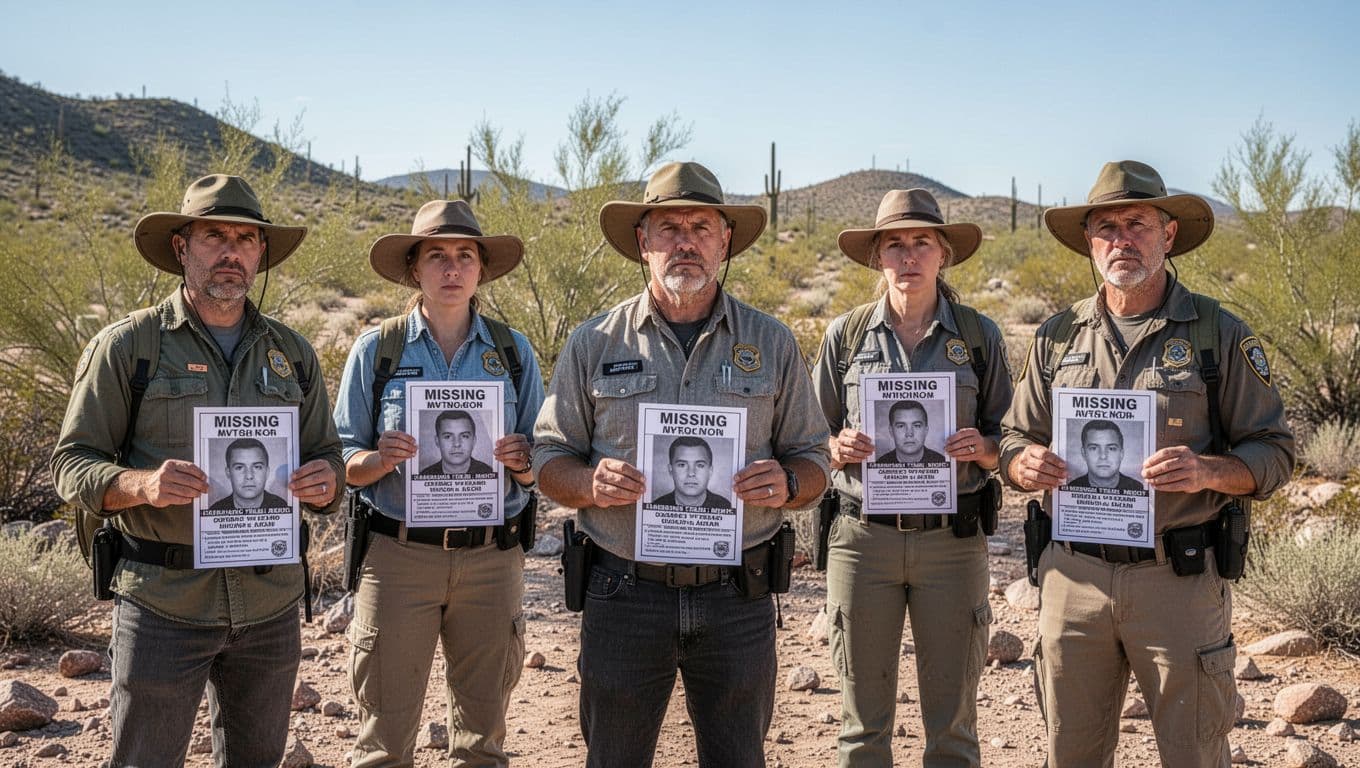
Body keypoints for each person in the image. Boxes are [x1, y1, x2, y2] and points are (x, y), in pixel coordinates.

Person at [533, 161, 830, 768]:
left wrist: (790, 482)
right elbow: (548, 456)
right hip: (622, 592)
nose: (685, 240)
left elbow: (814, 456)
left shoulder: (770, 342)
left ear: (725, 241)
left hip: (737, 598)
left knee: (738, 758)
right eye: (668, 227)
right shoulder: (596, 341)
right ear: (643, 243)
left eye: (701, 226)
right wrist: (588, 484)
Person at [1001, 160, 1296, 767]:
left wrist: (1210, 471)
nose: (1121, 239)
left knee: (1193, 753)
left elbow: (1275, 451)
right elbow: (1013, 436)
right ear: (1089, 243)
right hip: (1072, 580)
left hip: (1178, 580)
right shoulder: (1057, 337)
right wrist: (1021, 465)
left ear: (1168, 234)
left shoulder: (1217, 333)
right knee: (1071, 754)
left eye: (1137, 223)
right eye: (1106, 227)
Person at [50, 174, 343, 766]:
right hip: (164, 605)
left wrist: (326, 482)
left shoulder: (293, 354)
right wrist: (141, 485)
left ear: (261, 253)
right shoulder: (129, 347)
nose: (231, 251)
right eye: (214, 236)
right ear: (182, 247)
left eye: (245, 238)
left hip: (269, 606)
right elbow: (69, 463)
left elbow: (327, 454)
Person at [333, 199, 544, 767]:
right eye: (437, 256)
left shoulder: (513, 353)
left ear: (480, 269)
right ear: (414, 269)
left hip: (492, 558)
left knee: (482, 743)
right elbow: (339, 459)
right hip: (398, 556)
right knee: (383, 744)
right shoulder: (378, 351)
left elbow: (543, 459)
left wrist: (523, 462)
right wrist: (378, 460)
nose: (451, 269)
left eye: (464, 256)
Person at [811, 188, 1012, 767]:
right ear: (878, 257)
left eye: (921, 242)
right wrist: (835, 445)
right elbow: (805, 437)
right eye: (894, 244)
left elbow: (1014, 438)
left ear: (943, 252)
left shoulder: (979, 337)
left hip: (952, 541)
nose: (908, 256)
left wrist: (987, 447)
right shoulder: (844, 338)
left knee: (952, 727)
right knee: (861, 728)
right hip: (861, 541)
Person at [208, 437, 290, 510]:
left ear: (267, 472)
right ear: (228, 473)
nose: (249, 476)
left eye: (257, 467)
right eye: (239, 467)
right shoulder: (215, 510)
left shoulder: (283, 507)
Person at [651, 436, 733, 508]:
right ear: (670, 470)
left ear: (710, 471)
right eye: (682, 465)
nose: (691, 473)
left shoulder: (726, 507)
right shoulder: (654, 507)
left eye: (700, 465)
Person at [1068, 419, 1143, 491]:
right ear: (1084, 453)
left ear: (1121, 453)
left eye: (1111, 448)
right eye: (1094, 448)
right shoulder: (1070, 489)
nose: (1103, 456)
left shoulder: (1137, 488)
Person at [418, 409, 495, 476]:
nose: (457, 444)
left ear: (474, 441)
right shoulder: (424, 475)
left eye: (464, 436)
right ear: (437, 441)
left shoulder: (490, 473)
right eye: (448, 436)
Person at [873, 399, 948, 465]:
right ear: (891, 431)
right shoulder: (879, 464)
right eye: (901, 426)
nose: (909, 434)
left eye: (917, 425)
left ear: (926, 430)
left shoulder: (942, 462)